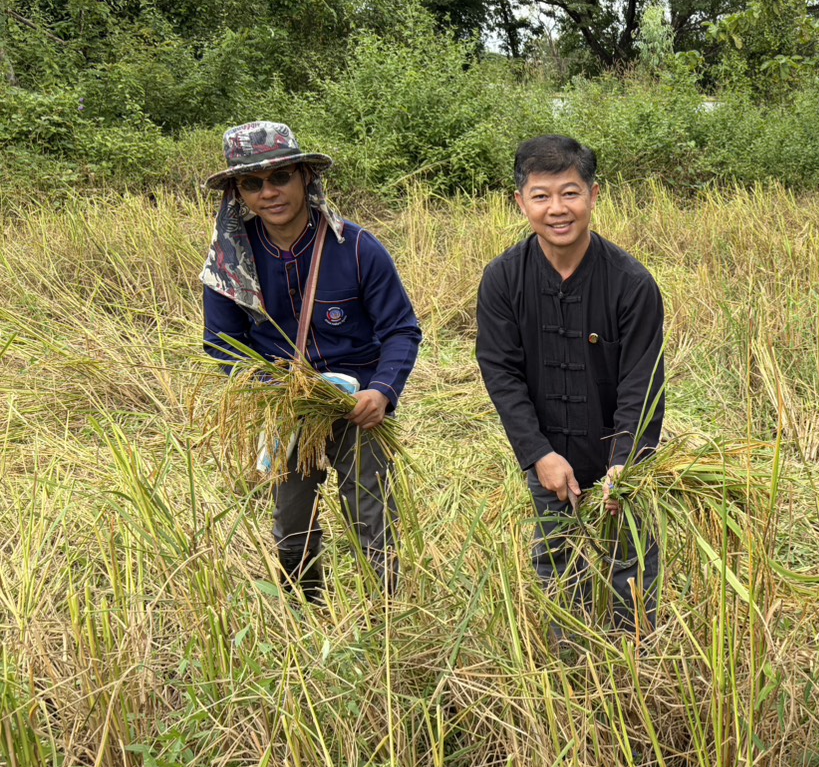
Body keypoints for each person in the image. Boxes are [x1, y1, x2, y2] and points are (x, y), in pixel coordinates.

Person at [201, 121, 422, 600]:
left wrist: (382, 391)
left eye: (280, 177)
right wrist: (269, 388)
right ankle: (306, 614)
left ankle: (384, 617)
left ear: (305, 177)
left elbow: (401, 330)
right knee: (291, 522)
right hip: (284, 408)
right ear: (239, 193)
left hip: (358, 406)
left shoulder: (358, 249)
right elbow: (222, 343)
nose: (268, 193)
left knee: (372, 514)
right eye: (253, 183)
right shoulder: (229, 264)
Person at [476, 134, 665, 635]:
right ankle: (570, 665)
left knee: (630, 564)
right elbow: (501, 373)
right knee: (558, 566)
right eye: (541, 195)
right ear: (520, 202)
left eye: (570, 193)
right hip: (547, 455)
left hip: (620, 457)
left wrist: (626, 464)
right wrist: (539, 454)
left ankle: (635, 658)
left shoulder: (631, 283)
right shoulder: (503, 280)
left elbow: (642, 383)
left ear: (594, 195)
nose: (557, 209)